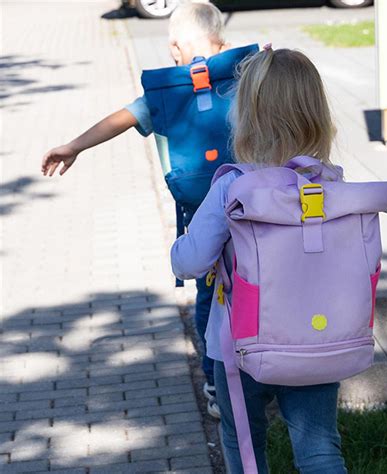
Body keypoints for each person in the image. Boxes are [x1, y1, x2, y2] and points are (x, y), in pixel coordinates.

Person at [40, 1, 253, 419]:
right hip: (253, 209)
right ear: (223, 40)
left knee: (210, 295)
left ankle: (213, 381)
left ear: (173, 48)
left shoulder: (168, 92)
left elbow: (121, 119)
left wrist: (74, 146)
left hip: (201, 218)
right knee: (255, 285)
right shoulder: (246, 75)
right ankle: (258, 370)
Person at [171, 48, 348, 473]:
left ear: (245, 116)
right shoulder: (331, 184)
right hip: (317, 338)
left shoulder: (233, 186)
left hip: (240, 344)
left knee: (243, 441)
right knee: (320, 447)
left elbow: (191, 262)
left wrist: (179, 246)